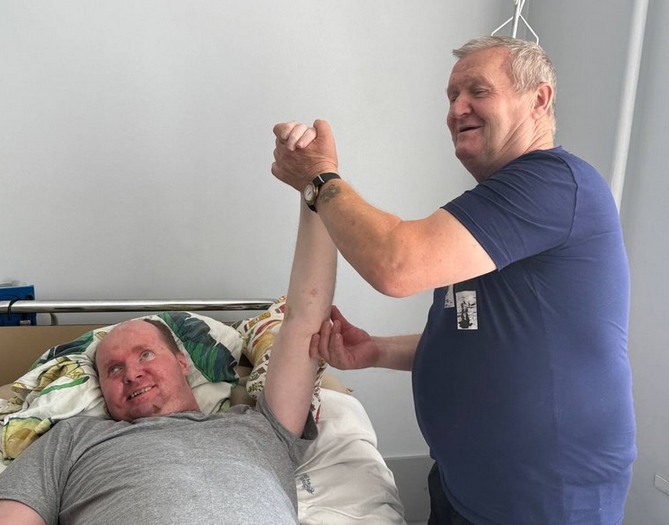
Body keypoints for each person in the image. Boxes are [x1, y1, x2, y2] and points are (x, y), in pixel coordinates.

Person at [271, 36, 636, 524]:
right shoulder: (492, 210)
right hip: (465, 486)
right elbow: (476, 337)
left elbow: (396, 264)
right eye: (451, 96)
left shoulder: (554, 183)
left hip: (544, 501)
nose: (457, 109)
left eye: (478, 91)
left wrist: (319, 178)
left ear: (539, 99)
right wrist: (376, 350)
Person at [0, 195, 337, 524]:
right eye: (113, 369)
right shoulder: (70, 441)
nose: (132, 374)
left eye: (145, 354)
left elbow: (304, 318)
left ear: (182, 362)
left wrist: (316, 186)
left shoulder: (260, 426)